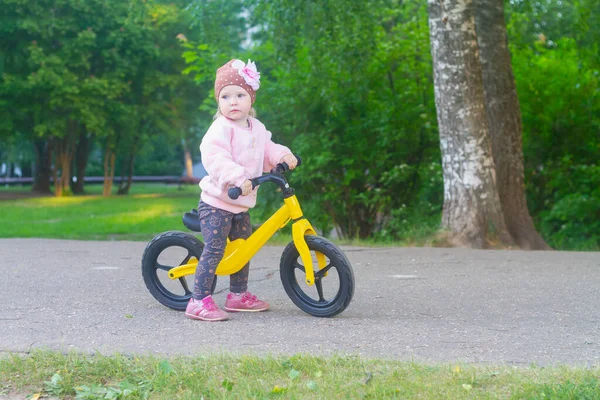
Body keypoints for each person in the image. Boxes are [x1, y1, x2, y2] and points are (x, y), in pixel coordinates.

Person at [186, 59, 298, 322]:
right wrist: (237, 177)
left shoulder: (256, 128)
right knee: (214, 250)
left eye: (239, 95)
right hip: (217, 203)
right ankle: (198, 299)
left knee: (242, 248)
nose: (232, 101)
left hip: (241, 204)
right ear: (218, 101)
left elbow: (267, 149)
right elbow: (215, 158)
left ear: (251, 99)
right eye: (225, 96)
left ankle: (237, 295)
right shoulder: (220, 129)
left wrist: (283, 155)